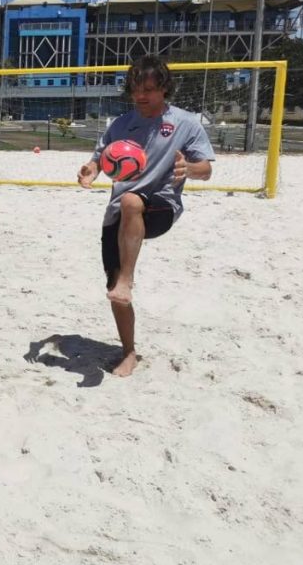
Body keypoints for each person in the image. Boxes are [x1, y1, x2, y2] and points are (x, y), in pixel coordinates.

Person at [77, 55, 215, 377]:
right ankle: (129, 352)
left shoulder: (186, 123)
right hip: (121, 212)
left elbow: (206, 169)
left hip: (161, 204)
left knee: (130, 201)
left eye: (150, 89)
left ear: (164, 89)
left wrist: (189, 168)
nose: (141, 96)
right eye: (137, 89)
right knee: (113, 287)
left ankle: (128, 278)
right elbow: (101, 158)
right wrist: (91, 170)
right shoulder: (121, 125)